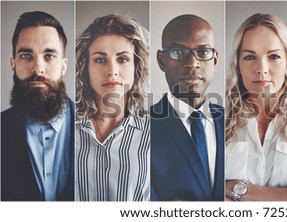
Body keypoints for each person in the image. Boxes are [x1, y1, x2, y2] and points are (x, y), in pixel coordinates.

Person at [225, 13, 287, 201]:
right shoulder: (218, 120)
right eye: (250, 57)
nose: (262, 68)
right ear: (238, 65)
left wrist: (240, 190)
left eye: (273, 56)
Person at [75, 14, 150, 201]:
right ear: (85, 68)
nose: (112, 71)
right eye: (100, 60)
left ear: (136, 66)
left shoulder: (157, 132)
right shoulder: (63, 131)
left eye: (123, 59)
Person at [1, 11, 74, 201]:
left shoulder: (97, 127)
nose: (38, 68)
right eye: (26, 56)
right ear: (13, 64)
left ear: (63, 66)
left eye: (49, 56)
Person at [151, 14, 224, 201]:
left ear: (214, 60)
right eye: (178, 52)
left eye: (203, 52)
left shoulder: (233, 120)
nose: (192, 63)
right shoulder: (140, 127)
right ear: (162, 60)